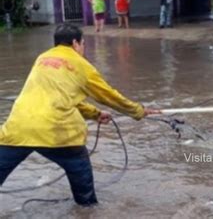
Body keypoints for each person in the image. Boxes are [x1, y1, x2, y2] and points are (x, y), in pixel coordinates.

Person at [0, 24, 160, 206]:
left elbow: (60, 98)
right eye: (83, 44)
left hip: (17, 128)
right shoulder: (82, 66)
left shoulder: (42, 59)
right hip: (55, 131)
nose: (83, 48)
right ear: (76, 43)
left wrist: (95, 114)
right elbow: (108, 95)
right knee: (80, 171)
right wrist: (138, 111)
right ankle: (87, 209)